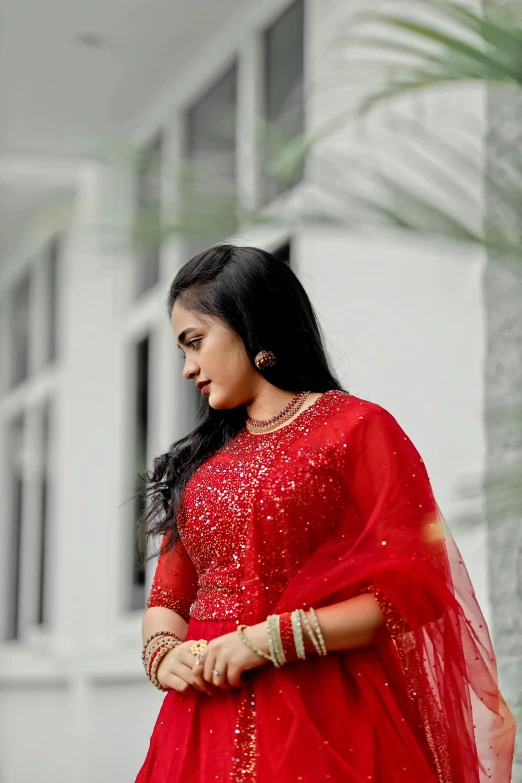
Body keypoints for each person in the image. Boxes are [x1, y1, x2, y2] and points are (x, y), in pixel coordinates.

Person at [135, 245, 515, 783]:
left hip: (324, 713)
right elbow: (168, 599)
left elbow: (417, 592)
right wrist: (162, 653)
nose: (187, 368)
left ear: (249, 324)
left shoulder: (357, 430)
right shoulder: (201, 464)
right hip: (201, 722)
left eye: (195, 343)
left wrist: (266, 640)